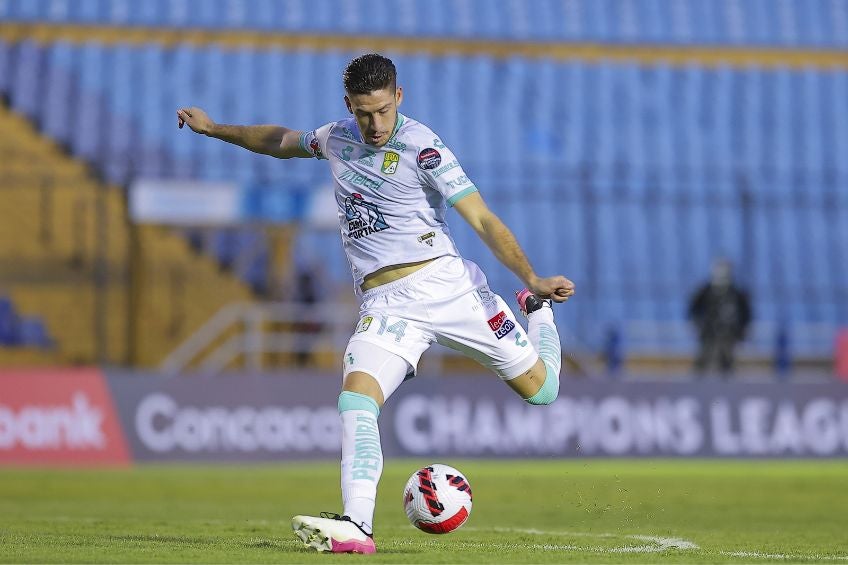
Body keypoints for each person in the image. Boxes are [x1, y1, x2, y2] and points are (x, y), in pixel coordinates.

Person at [177, 53, 575, 554]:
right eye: (364, 113)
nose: (375, 124)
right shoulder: (337, 138)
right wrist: (215, 129)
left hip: (448, 288)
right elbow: (281, 141)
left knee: (543, 392)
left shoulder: (423, 148)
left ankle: (536, 312)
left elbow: (483, 220)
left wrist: (533, 279)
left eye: (383, 110)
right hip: (385, 306)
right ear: (349, 105)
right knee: (356, 400)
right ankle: (357, 527)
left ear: (399, 97)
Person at [688, 258, 752, 376]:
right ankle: (697, 384)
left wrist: (742, 330)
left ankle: (726, 387)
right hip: (708, 332)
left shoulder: (736, 293)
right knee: (703, 360)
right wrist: (698, 324)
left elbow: (746, 314)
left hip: (728, 333)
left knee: (727, 362)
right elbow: (693, 309)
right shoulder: (706, 291)